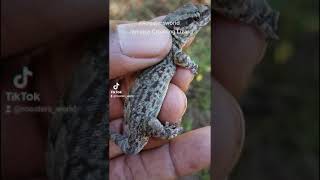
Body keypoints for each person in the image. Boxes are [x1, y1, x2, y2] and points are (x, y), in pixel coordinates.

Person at [1, 1, 269, 179]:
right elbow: (182, 60)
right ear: (182, 25)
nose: (201, 19)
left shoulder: (168, 41)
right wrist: (166, 131)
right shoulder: (168, 44)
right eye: (195, 18)